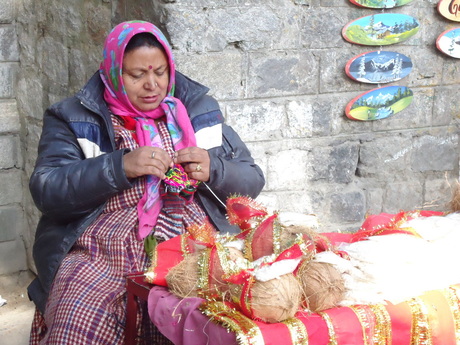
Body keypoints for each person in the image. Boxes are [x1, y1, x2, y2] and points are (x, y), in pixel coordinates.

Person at [28, 20, 265, 344]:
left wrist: (215, 169)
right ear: (113, 72)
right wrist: (118, 166)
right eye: (137, 75)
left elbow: (252, 178)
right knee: (80, 315)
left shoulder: (197, 110)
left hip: (193, 239)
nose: (152, 85)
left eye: (160, 72)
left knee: (224, 316)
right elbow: (47, 187)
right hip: (102, 247)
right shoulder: (74, 116)